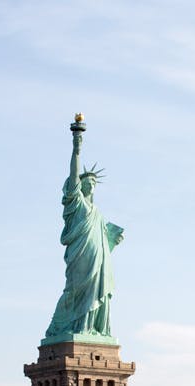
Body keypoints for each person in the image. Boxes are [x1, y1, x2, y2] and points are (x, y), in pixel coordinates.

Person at [44, 128, 124, 340]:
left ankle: (90, 329)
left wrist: (112, 239)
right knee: (77, 290)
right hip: (80, 256)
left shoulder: (98, 213)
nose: (91, 183)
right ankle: (76, 327)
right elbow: (73, 177)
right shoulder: (76, 204)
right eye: (87, 181)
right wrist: (76, 148)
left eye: (94, 182)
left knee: (97, 291)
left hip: (98, 260)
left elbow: (104, 240)